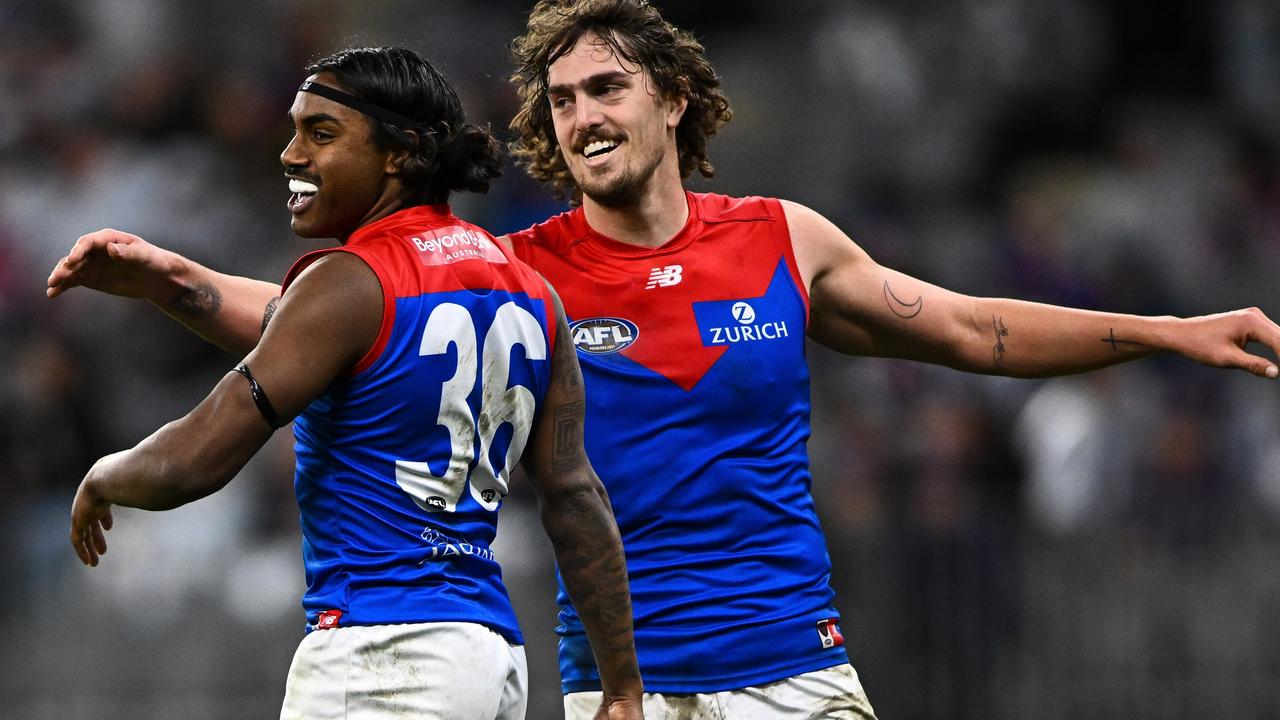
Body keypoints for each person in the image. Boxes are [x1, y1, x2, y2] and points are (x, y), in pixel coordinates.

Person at [47, 2, 1280, 718]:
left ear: (672, 101)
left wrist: (1163, 334)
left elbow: (968, 330)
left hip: (795, 673)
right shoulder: (518, 268)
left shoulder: (780, 241)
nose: (583, 116)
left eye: (606, 88)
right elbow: (326, 327)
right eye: (563, 99)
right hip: (620, 696)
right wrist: (175, 281)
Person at [60, 46, 643, 720]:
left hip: (383, 658)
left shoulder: (349, 280)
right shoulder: (531, 293)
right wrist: (622, 690)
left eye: (322, 133)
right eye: (295, 128)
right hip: (489, 655)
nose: (292, 153)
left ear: (399, 153)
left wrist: (106, 473)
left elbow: (197, 459)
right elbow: (577, 500)